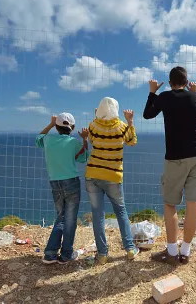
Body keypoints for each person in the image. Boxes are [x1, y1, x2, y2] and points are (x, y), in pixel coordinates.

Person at [142, 66, 196, 265]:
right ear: (187, 81)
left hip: (175, 157)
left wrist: (152, 92)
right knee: (193, 203)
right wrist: (195, 93)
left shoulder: (164, 97)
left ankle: (172, 252)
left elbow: (147, 114)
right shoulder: (194, 97)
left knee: (170, 203)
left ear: (170, 83)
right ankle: (185, 251)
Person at [85, 97, 140, 265]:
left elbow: (92, 141)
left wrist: (97, 118)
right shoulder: (122, 127)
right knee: (121, 211)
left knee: (97, 215)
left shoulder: (93, 126)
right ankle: (130, 249)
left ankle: (102, 254)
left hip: (93, 174)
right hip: (113, 176)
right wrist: (130, 121)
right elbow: (132, 142)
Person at [35, 113, 89, 264]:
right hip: (71, 182)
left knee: (61, 216)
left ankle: (51, 253)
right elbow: (84, 157)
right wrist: (85, 139)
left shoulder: (48, 140)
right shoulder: (74, 142)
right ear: (72, 128)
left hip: (55, 183)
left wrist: (51, 124)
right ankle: (65, 254)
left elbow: (38, 139)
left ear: (57, 127)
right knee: (70, 219)